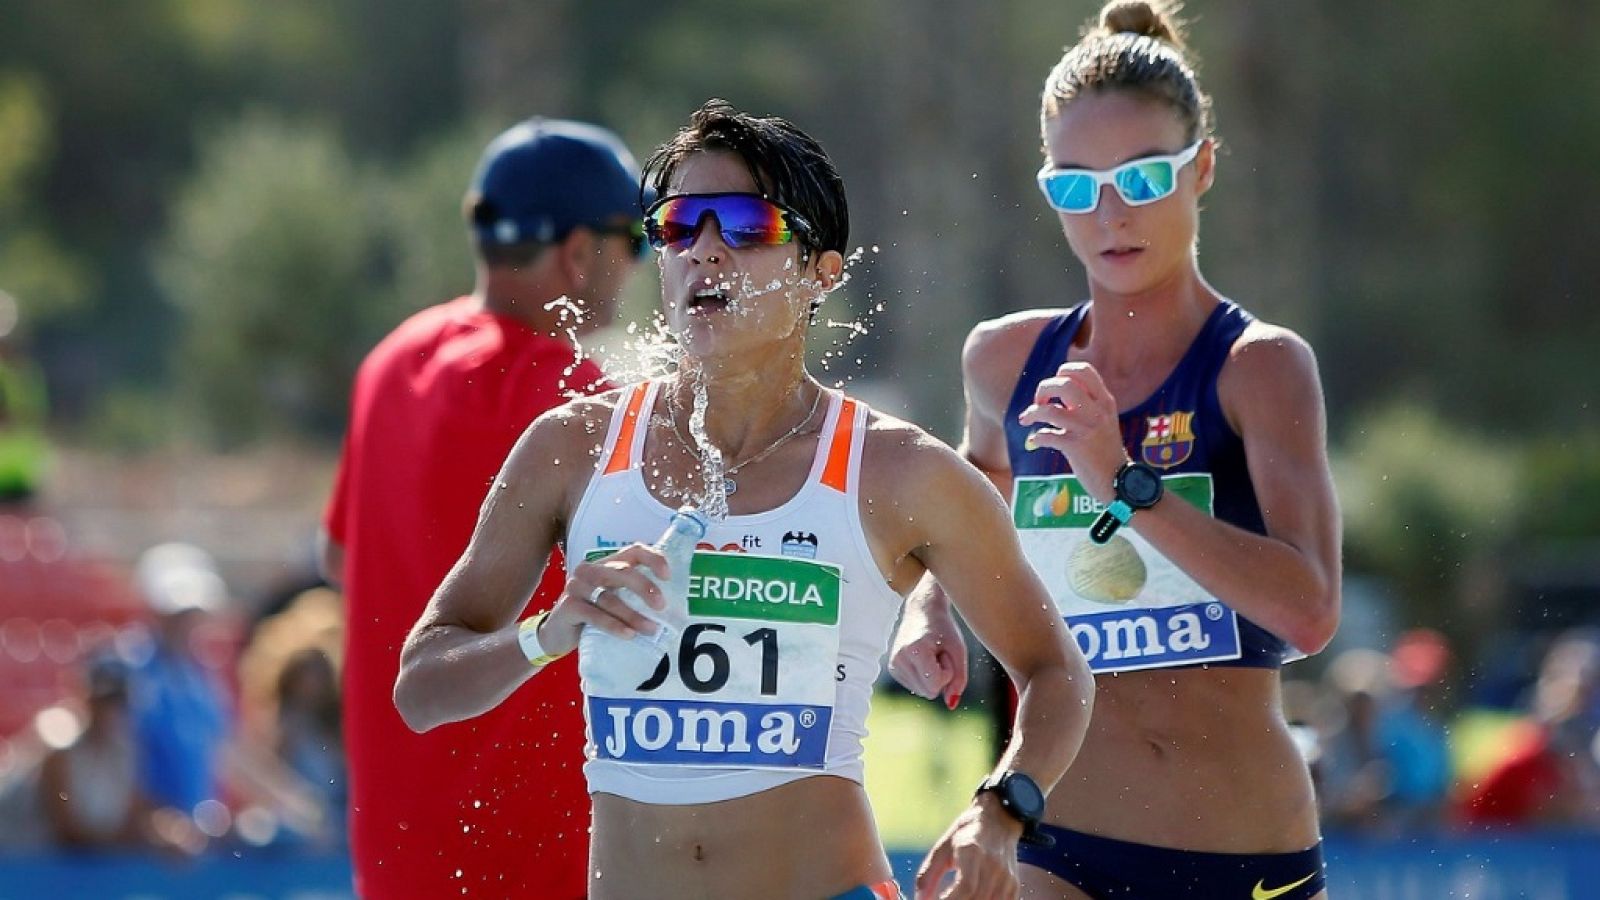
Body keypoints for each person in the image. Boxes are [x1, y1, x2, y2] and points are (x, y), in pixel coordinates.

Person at [393, 99, 1094, 900]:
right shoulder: (572, 447)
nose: (705, 252)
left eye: (746, 225)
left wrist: (999, 814)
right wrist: (549, 632)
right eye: (679, 224)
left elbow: (1057, 672)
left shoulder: (898, 473)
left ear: (820, 271)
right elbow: (421, 687)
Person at [889, 3, 1341, 897]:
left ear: (1202, 168)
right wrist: (930, 607)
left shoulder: (1261, 368)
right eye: (1074, 186)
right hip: (1062, 837)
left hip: (1245, 855)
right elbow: (976, 494)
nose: (1108, 215)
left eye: (1141, 180)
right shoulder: (1004, 359)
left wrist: (1126, 483)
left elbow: (1310, 613)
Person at [319, 117, 649, 898]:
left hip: (395, 832)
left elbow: (339, 559)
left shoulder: (389, 362)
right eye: (633, 243)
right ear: (577, 252)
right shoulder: (571, 396)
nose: (636, 270)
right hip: (532, 841)